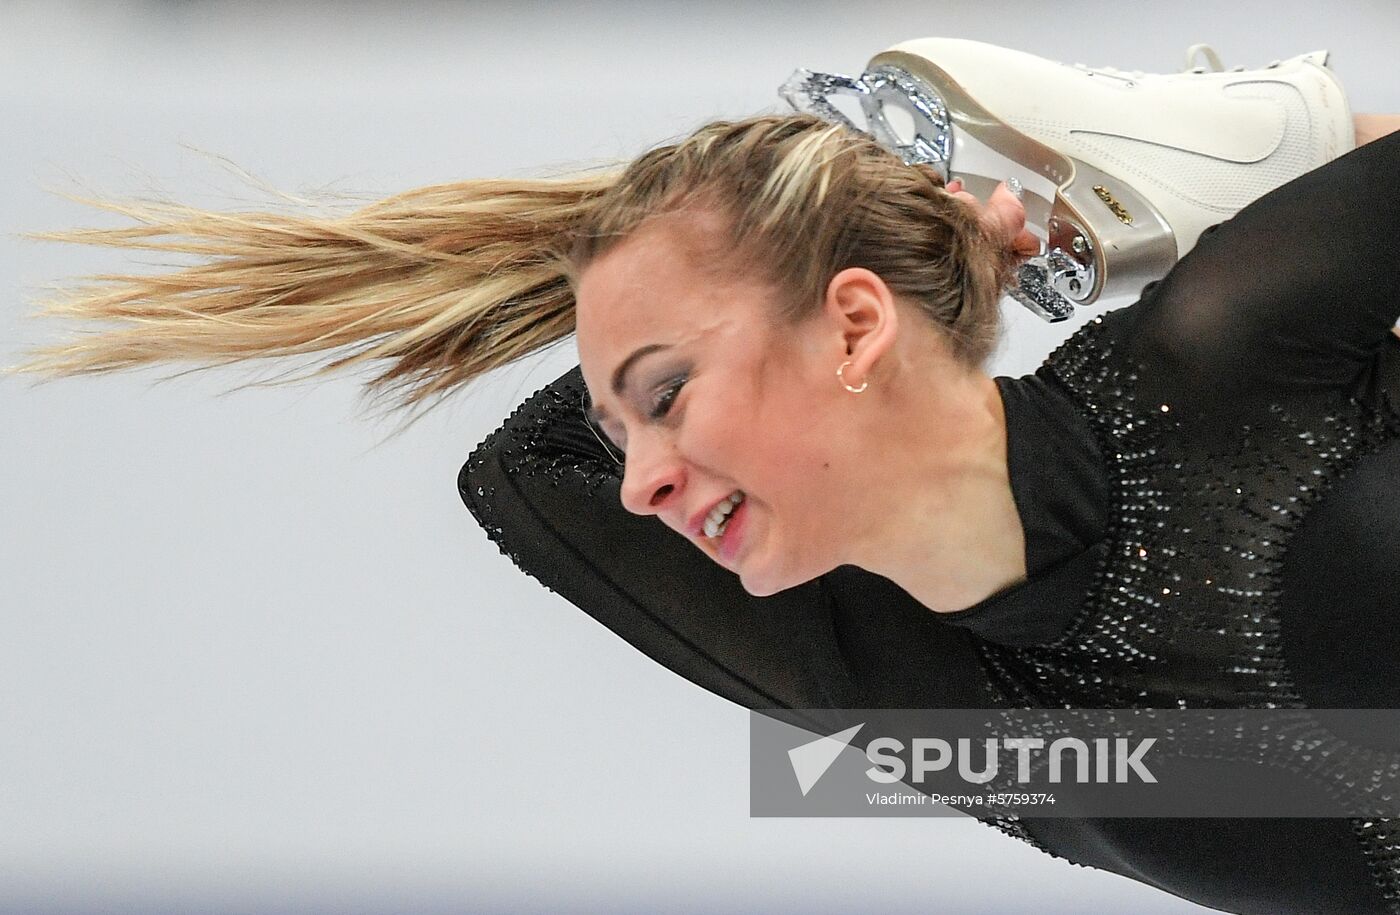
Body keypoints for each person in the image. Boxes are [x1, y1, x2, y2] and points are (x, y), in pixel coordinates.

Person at [10, 37, 1400, 915]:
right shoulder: (918, 694)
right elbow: (528, 477)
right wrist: (800, 225)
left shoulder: (1228, 358)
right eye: (627, 432)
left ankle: (1229, 136)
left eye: (668, 397)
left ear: (855, 326)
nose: (641, 483)